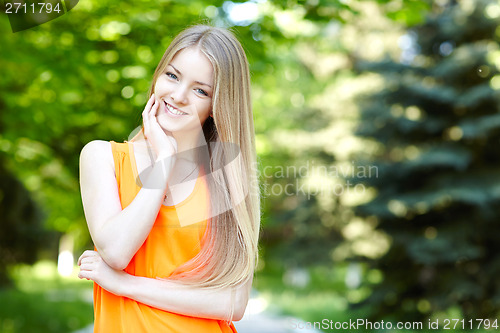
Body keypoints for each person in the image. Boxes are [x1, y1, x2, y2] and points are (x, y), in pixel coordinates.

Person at [77, 24, 261, 332]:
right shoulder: (101, 157)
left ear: (217, 106)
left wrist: (126, 285)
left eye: (201, 90)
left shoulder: (226, 179)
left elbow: (233, 303)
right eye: (172, 76)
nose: (178, 96)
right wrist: (163, 160)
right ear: (158, 75)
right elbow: (116, 251)